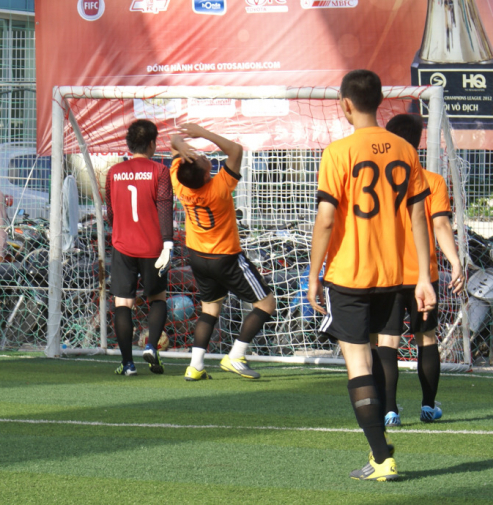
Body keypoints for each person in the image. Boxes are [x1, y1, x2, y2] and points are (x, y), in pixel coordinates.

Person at [307, 70, 437, 481]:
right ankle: (379, 451)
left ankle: (382, 457)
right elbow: (420, 215)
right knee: (382, 354)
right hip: (395, 274)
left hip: (349, 274)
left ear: (345, 104)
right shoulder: (405, 149)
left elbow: (326, 220)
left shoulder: (338, 152)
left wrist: (314, 275)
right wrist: (422, 277)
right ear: (380, 101)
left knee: (359, 361)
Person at [376, 114, 464, 427]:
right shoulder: (432, 180)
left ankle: (389, 411)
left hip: (385, 274)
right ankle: (428, 407)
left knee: (387, 342)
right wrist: (454, 260)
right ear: (419, 143)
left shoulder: (378, 183)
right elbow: (440, 224)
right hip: (424, 275)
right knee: (426, 338)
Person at [170, 124, 275, 381]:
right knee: (266, 303)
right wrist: (203, 133)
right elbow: (235, 151)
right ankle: (235, 355)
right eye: (204, 160)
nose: (205, 156)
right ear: (207, 175)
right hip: (225, 258)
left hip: (197, 257)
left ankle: (195, 366)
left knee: (209, 310)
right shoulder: (218, 188)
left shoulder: (180, 183)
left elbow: (173, 141)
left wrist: (181, 146)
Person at [105, 119, 174, 376]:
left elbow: (111, 212)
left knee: (123, 303)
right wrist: (168, 242)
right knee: (157, 298)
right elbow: (165, 207)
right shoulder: (160, 171)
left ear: (128, 143)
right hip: (154, 247)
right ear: (153, 144)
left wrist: (121, 229)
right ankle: (152, 348)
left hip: (123, 245)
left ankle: (127, 363)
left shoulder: (114, 172)